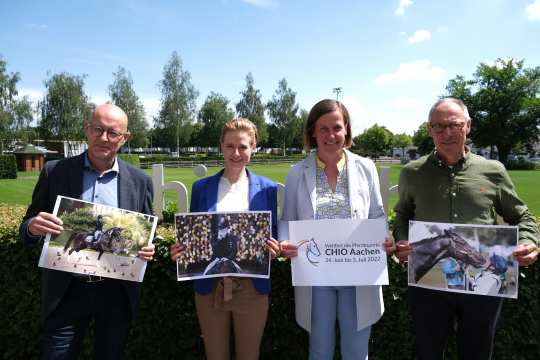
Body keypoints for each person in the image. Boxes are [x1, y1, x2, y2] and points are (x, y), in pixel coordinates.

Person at [387, 98, 539, 359]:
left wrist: (529, 241)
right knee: (428, 351)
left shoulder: (493, 171)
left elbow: (522, 215)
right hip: (429, 284)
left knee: (477, 352)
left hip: (482, 283)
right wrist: (401, 240)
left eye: (454, 125)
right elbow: (401, 214)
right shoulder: (412, 172)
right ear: (429, 130)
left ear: (467, 126)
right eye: (439, 126)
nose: (446, 133)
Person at [19, 103, 155, 360]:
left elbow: (147, 233)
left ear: (124, 138)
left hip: (116, 294)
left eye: (113, 133)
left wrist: (148, 247)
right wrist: (33, 227)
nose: (104, 138)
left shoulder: (140, 182)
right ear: (87, 130)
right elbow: (26, 226)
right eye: (98, 129)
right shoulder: (54, 171)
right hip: (66, 291)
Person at [277, 99, 391, 360]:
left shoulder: (365, 167)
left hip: (358, 275)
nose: (331, 135)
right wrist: (285, 243)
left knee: (356, 352)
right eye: (323, 129)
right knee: (319, 351)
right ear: (313, 133)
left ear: (347, 130)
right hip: (317, 277)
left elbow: (377, 215)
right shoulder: (297, 173)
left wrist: (384, 237)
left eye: (337, 128)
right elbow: (287, 220)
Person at [170, 118, 279, 360]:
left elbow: (274, 234)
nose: (236, 153)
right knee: (215, 355)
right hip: (210, 288)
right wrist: (181, 250)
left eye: (243, 146)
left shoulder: (268, 188)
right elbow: (194, 236)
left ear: (253, 147)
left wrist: (275, 247)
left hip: (252, 287)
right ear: (221, 146)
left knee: (249, 356)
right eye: (230, 146)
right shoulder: (201, 188)